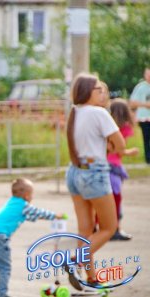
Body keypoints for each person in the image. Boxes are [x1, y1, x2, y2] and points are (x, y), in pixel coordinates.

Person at [65, 73, 126, 290]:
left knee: (85, 230)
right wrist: (124, 151)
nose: (103, 93)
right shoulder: (99, 113)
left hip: (74, 172)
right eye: (98, 89)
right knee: (108, 228)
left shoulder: (75, 112)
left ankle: (91, 279)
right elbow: (119, 145)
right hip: (94, 173)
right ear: (87, 91)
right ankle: (75, 260)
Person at [0, 178, 64, 297]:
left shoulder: (13, 202)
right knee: (5, 267)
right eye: (32, 195)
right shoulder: (23, 205)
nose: (32, 197)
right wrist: (55, 216)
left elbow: (31, 216)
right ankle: (3, 294)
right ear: (27, 196)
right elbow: (38, 212)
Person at [107, 99, 139, 241]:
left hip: (101, 166)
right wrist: (130, 151)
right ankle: (116, 229)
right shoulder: (125, 128)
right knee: (116, 199)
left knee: (101, 200)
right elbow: (119, 151)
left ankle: (97, 226)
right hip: (114, 167)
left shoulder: (105, 126)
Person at [129, 66, 150, 164]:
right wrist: (145, 104)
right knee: (146, 138)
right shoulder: (140, 87)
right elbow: (132, 102)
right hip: (144, 117)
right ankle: (148, 158)